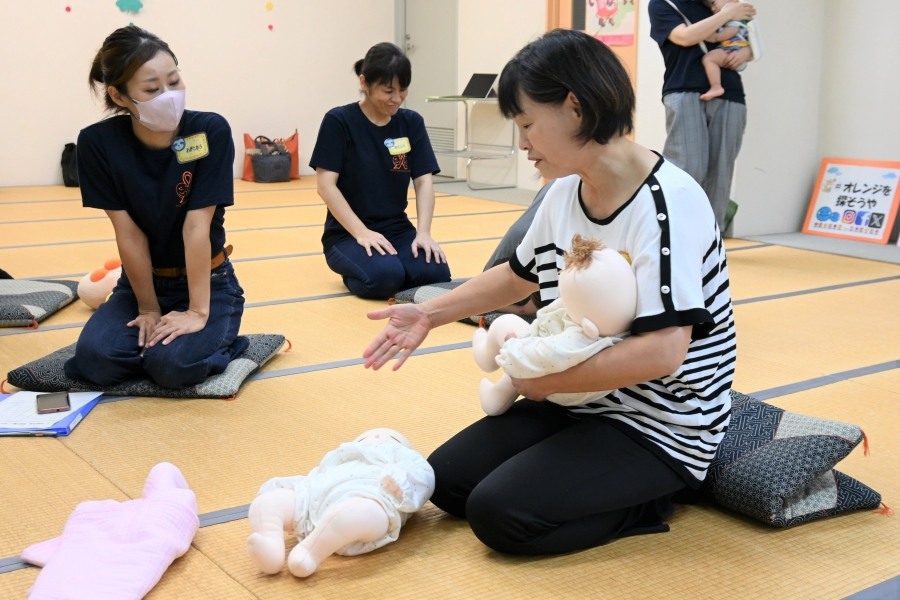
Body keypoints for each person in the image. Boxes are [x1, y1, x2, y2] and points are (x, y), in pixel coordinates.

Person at [362, 29, 736, 556]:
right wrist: (429, 313)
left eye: (528, 124)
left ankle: (654, 499)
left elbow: (664, 351)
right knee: (444, 483)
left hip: (661, 421)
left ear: (576, 109)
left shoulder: (669, 202)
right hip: (582, 400)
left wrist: (549, 381)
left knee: (499, 517)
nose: (522, 143)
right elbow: (518, 275)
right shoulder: (564, 191)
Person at [64, 26, 246, 390]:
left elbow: (196, 227)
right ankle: (182, 341)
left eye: (174, 81)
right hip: (139, 285)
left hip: (208, 282)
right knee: (95, 361)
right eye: (151, 89)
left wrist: (197, 312)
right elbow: (128, 233)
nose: (169, 96)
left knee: (172, 368)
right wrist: (148, 309)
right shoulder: (97, 144)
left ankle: (229, 340)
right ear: (119, 95)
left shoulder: (209, 130)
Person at [310, 43, 451, 299]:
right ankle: (361, 267)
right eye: (388, 91)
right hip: (347, 233)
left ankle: (394, 264)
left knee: (435, 274)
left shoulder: (411, 122)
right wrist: (361, 232)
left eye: (403, 90)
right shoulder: (339, 121)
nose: (397, 98)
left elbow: (423, 182)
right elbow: (325, 185)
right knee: (385, 279)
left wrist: (424, 233)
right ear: (364, 82)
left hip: (397, 229)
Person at [648, 0, 756, 230]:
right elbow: (686, 37)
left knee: (721, 175)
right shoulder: (663, 4)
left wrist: (746, 52)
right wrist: (727, 13)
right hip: (684, 90)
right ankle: (675, 236)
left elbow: (749, 38)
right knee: (686, 169)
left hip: (730, 93)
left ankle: (711, 244)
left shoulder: (722, 4)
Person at [700, 0, 752, 101]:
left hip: (733, 49)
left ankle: (716, 86)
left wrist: (715, 37)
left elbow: (732, 30)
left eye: (714, 3)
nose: (713, 8)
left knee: (709, 59)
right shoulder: (736, 13)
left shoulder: (736, 14)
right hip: (734, 48)